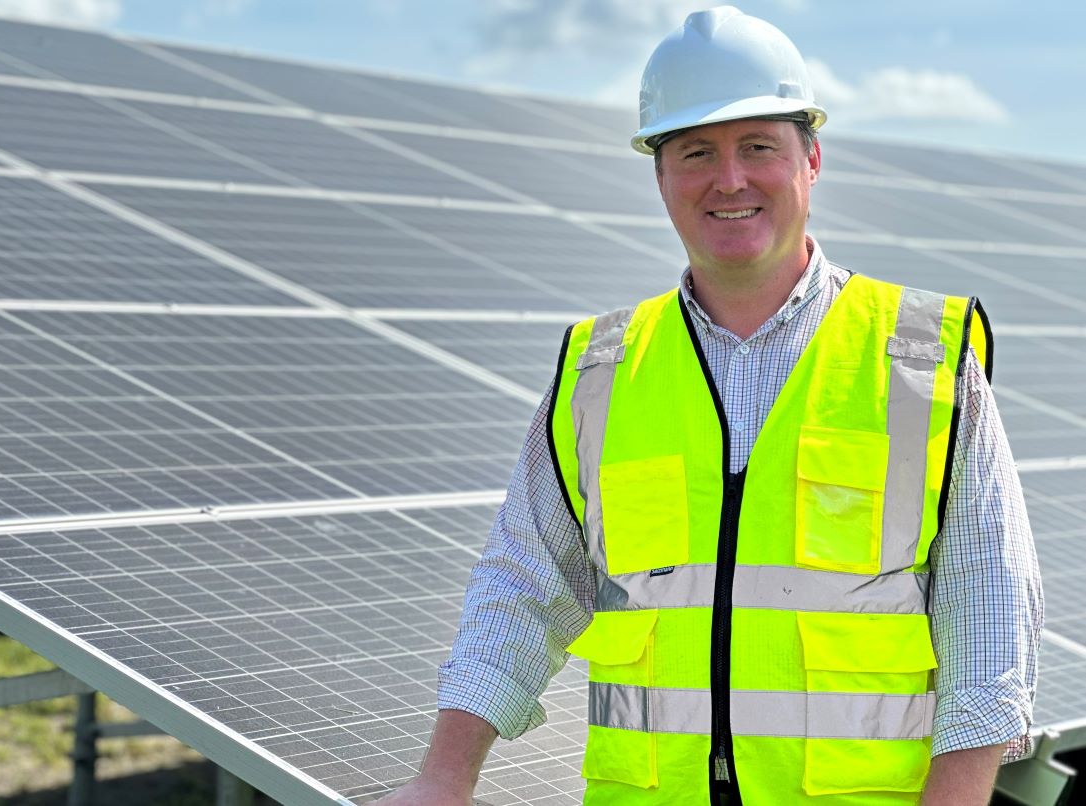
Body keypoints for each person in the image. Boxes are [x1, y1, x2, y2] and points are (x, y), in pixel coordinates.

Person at [378, 6, 1042, 805]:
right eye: (695, 152)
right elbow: (524, 585)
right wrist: (442, 780)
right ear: (660, 176)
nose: (728, 179)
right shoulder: (600, 369)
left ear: (811, 159)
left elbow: (988, 614)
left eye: (758, 146)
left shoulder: (922, 357)